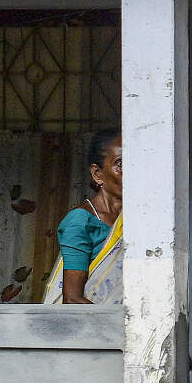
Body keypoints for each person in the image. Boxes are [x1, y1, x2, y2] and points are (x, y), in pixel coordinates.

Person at [44, 128, 124, 304]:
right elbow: (72, 299)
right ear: (98, 174)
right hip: (96, 327)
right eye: (121, 164)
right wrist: (116, 323)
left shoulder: (140, 218)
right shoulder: (81, 222)